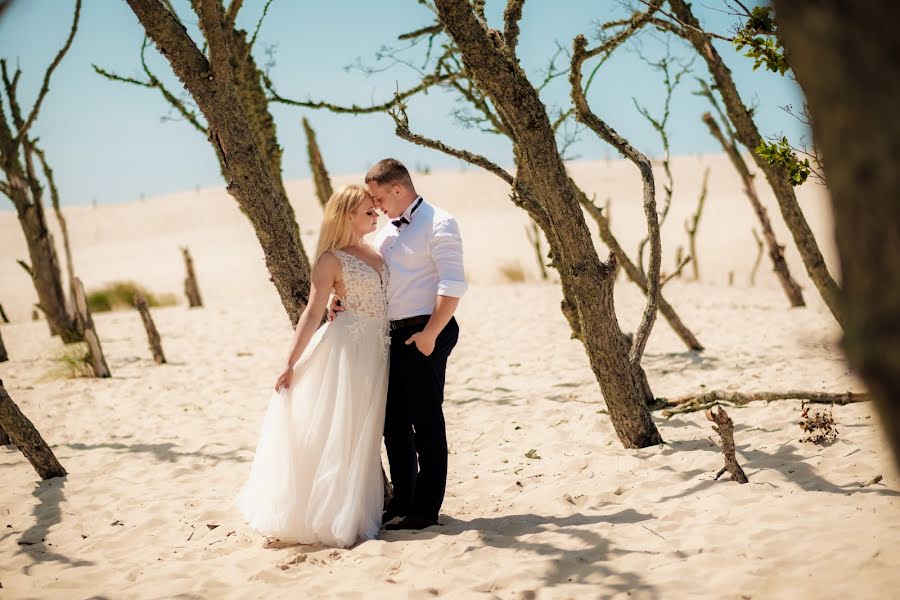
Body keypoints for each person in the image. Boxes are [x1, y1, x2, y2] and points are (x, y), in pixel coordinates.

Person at [236, 184, 390, 548]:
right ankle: (335, 515)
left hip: (378, 351)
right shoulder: (330, 260)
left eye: (375, 209)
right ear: (347, 215)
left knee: (365, 434)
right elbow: (313, 310)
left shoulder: (378, 248)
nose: (376, 215)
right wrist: (289, 362)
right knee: (343, 431)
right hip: (347, 353)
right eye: (368, 210)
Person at [334, 158, 466, 531]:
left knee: (425, 422)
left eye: (378, 197)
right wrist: (340, 299)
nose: (374, 206)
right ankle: (402, 501)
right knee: (392, 422)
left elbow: (452, 286)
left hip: (426, 331)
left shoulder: (440, 223)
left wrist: (430, 335)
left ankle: (425, 509)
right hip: (389, 334)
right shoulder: (386, 232)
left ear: (397, 189)